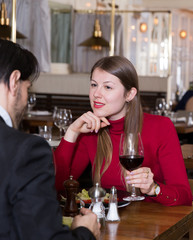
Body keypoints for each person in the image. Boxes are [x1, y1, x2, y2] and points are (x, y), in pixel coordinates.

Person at [54, 56, 192, 206]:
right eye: (94, 85)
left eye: (107, 87)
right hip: (103, 222)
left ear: (130, 94)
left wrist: (154, 188)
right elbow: (57, 187)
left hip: (148, 223)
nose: (96, 94)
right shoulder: (89, 131)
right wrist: (72, 133)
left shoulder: (161, 127)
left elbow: (184, 197)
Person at [0, 39, 99, 239]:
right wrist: (85, 232)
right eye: (28, 87)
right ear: (14, 81)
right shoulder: (24, 150)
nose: (27, 99)